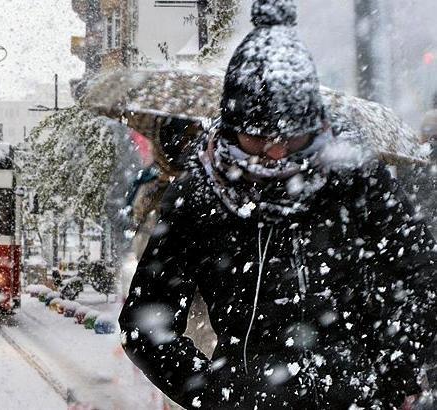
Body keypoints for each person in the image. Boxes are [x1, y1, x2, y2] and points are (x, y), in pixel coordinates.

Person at [119, 0, 437, 408]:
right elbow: (146, 324)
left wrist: (396, 372)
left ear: (316, 123)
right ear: (231, 127)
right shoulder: (200, 195)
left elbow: (422, 277)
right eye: (256, 136)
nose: (274, 151)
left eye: (291, 137)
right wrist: (215, 394)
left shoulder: (356, 178)